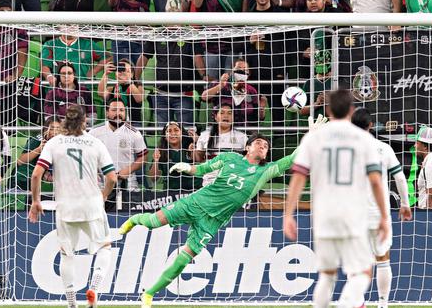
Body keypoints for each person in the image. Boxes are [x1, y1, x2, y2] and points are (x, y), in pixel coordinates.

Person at [117, 117, 327, 308]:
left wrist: (311, 136)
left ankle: (149, 295)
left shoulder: (266, 170)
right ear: (247, 147)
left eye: (266, 146)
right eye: (259, 143)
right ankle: (134, 220)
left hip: (213, 221)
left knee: (183, 261)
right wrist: (187, 167)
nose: (263, 147)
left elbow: (291, 160)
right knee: (153, 222)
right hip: (195, 202)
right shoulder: (229, 158)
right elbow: (202, 170)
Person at [283, 89, 389, 308]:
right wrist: (384, 216)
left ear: (329, 109)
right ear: (352, 109)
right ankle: (346, 305)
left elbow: (299, 177)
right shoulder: (364, 139)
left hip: (324, 214)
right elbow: (376, 182)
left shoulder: (314, 136)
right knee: (362, 272)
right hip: (353, 213)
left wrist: (288, 214)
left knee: (327, 275)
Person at [28, 105, 117, 308]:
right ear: (85, 121)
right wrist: (102, 196)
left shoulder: (54, 143)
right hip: (92, 205)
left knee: (67, 255)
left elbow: (36, 174)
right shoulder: (95, 142)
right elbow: (112, 177)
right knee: (104, 248)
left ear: (64, 122)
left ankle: (71, 304)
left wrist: (36, 201)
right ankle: (93, 287)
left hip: (66, 207)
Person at [352, 107, 412, 308]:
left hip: (353, 214)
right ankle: (383, 304)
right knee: (382, 258)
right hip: (379, 214)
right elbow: (400, 177)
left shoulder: (344, 150)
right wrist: (405, 204)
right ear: (370, 125)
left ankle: (359, 302)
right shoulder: (383, 148)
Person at [89, 99, 148, 210]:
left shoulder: (134, 133)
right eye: (114, 110)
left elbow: (143, 156)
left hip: (128, 185)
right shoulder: (94, 132)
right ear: (107, 112)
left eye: (121, 110)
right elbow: (87, 157)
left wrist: (128, 170)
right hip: (101, 186)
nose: (118, 114)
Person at [194, 104, 248, 185]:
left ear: (233, 118)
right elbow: (199, 159)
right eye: (222, 113)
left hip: (233, 181)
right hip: (211, 181)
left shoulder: (242, 137)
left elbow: (247, 160)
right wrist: (194, 151)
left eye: (230, 113)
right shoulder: (205, 135)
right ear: (215, 117)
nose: (226, 116)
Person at [200, 59, 263, 127]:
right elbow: (204, 97)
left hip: (245, 128)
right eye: (239, 68)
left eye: (245, 70)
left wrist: (262, 110)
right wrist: (220, 86)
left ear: (249, 74)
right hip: (221, 127)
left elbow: (258, 117)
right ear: (231, 71)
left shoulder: (251, 90)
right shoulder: (220, 84)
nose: (242, 71)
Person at [108, 0, 151, 74]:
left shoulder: (143, 6)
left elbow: (148, 26)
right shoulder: (118, 2)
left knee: (135, 76)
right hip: (121, 42)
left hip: (139, 43)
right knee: (124, 73)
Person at [149, 122, 202, 193]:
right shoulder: (161, 151)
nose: (173, 133)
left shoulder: (191, 146)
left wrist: (196, 143)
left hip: (194, 191)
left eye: (176, 130)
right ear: (165, 136)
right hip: (171, 193)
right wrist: (156, 161)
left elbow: (200, 162)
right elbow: (153, 178)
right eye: (169, 131)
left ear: (182, 133)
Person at [14, 116, 62, 191]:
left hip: (41, 182)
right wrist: (39, 149)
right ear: (46, 129)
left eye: (58, 128)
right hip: (22, 179)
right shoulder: (38, 139)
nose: (55, 132)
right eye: (52, 128)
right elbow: (20, 161)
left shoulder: (61, 144)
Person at [41, 34, 107, 87]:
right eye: (68, 25)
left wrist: (94, 71)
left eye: (74, 25)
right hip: (58, 88)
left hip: (83, 87)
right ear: (60, 26)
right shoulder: (50, 44)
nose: (71, 28)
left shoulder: (88, 44)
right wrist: (49, 76)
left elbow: (107, 57)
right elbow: (44, 65)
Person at [98, 59, 144, 126]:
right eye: (119, 69)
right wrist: (106, 74)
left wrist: (128, 81)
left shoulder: (138, 86)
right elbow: (101, 93)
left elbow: (139, 99)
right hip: (115, 123)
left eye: (126, 70)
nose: (122, 72)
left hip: (134, 124)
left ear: (132, 73)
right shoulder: (112, 89)